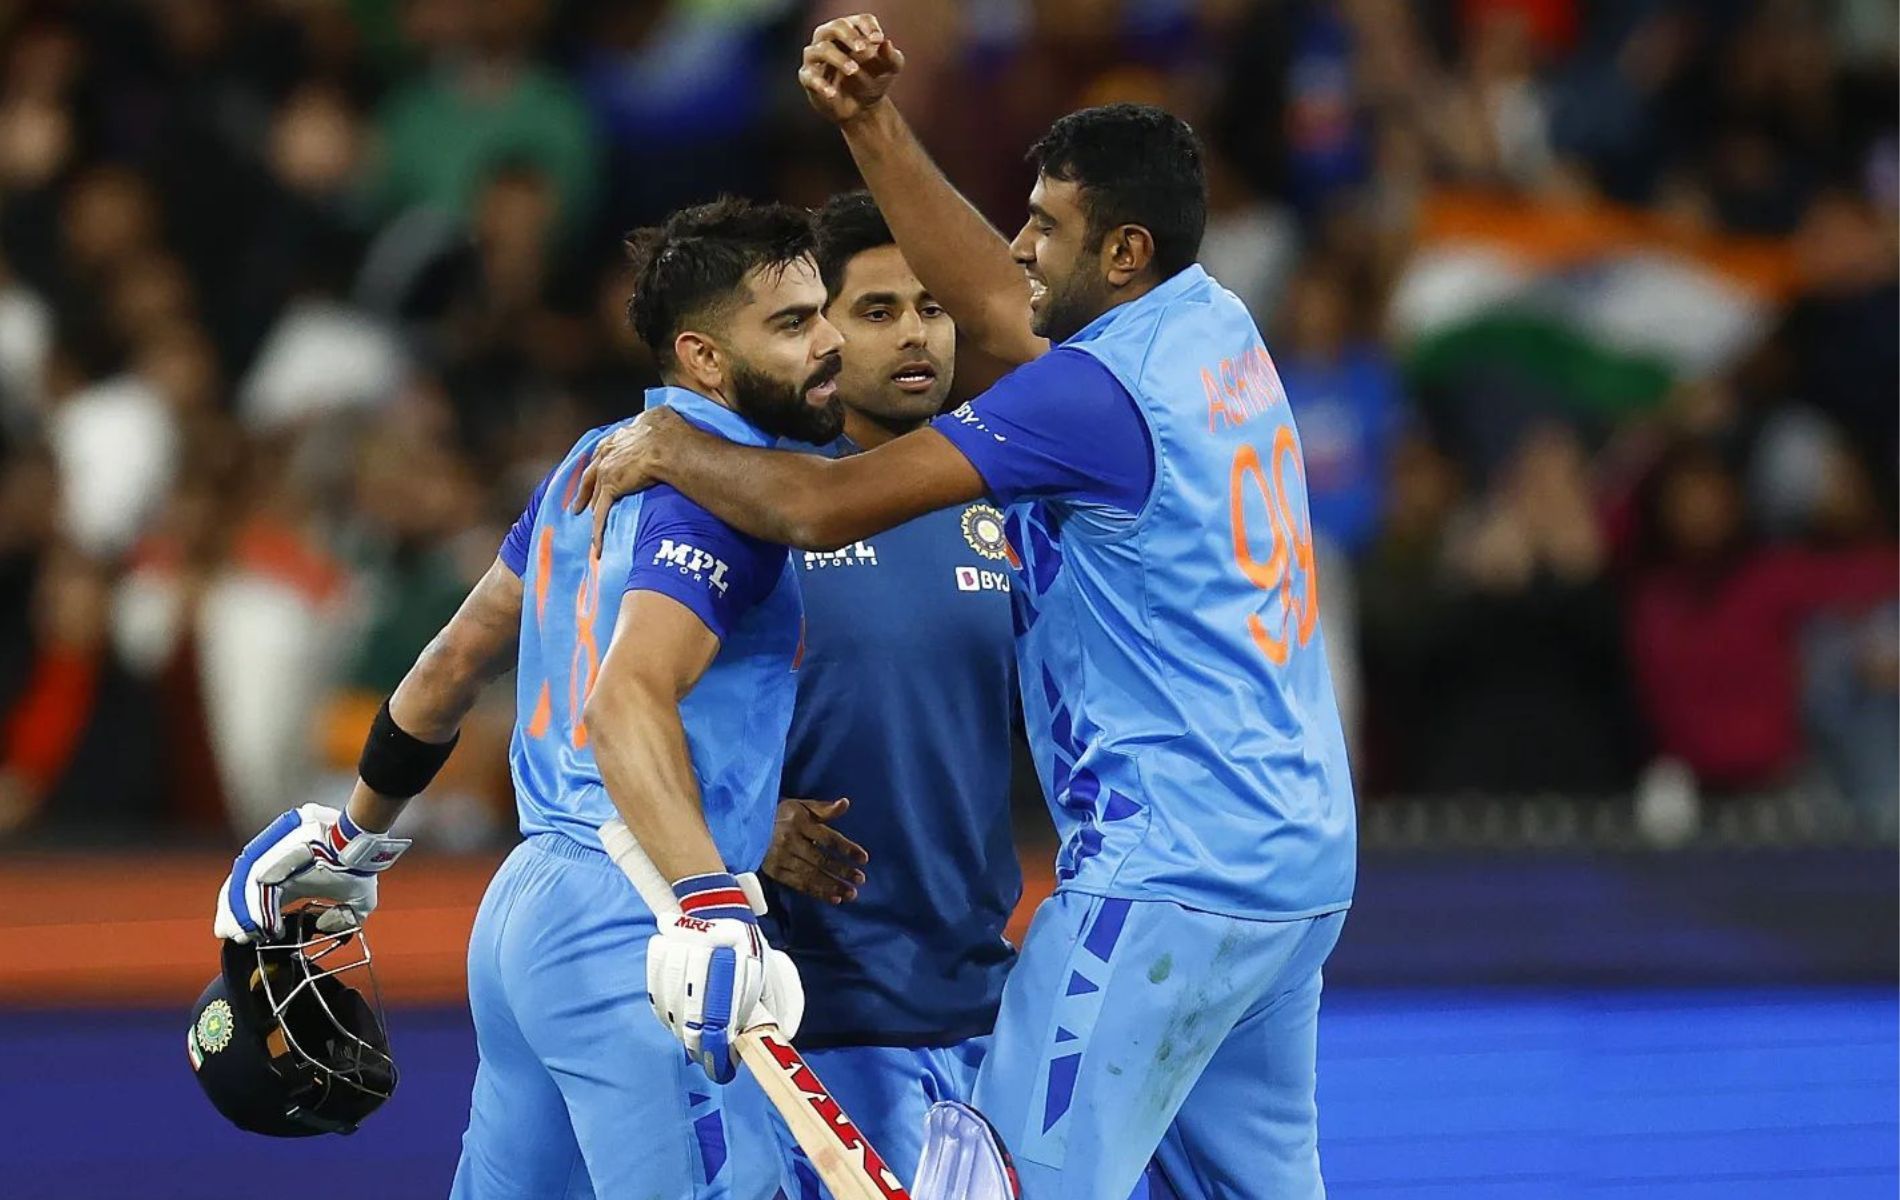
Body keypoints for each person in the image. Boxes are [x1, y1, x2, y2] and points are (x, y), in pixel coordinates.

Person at [574, 16, 1357, 1200]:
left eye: (1048, 228)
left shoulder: (1098, 398)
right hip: (1295, 867)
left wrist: (676, 442)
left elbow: (826, 506)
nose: (1018, 247)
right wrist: (869, 123)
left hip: (1165, 873)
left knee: (998, 1186)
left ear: (1126, 251)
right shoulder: (1211, 327)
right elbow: (998, 306)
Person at [213, 197, 844, 1199]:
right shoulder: (734, 496)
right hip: (637, 919)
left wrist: (351, 840)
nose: (830, 344)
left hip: (523, 916)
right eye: (792, 324)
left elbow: (452, 662)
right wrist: (709, 906)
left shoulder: (587, 461)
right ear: (704, 359)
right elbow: (622, 703)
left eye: (822, 311)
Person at [755, 190, 1019, 1198]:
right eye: (877, 310)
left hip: (982, 1005)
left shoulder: (1008, 501)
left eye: (931, 307)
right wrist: (741, 820)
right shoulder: (757, 502)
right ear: (818, 333)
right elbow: (619, 722)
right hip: (811, 1014)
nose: (914, 332)